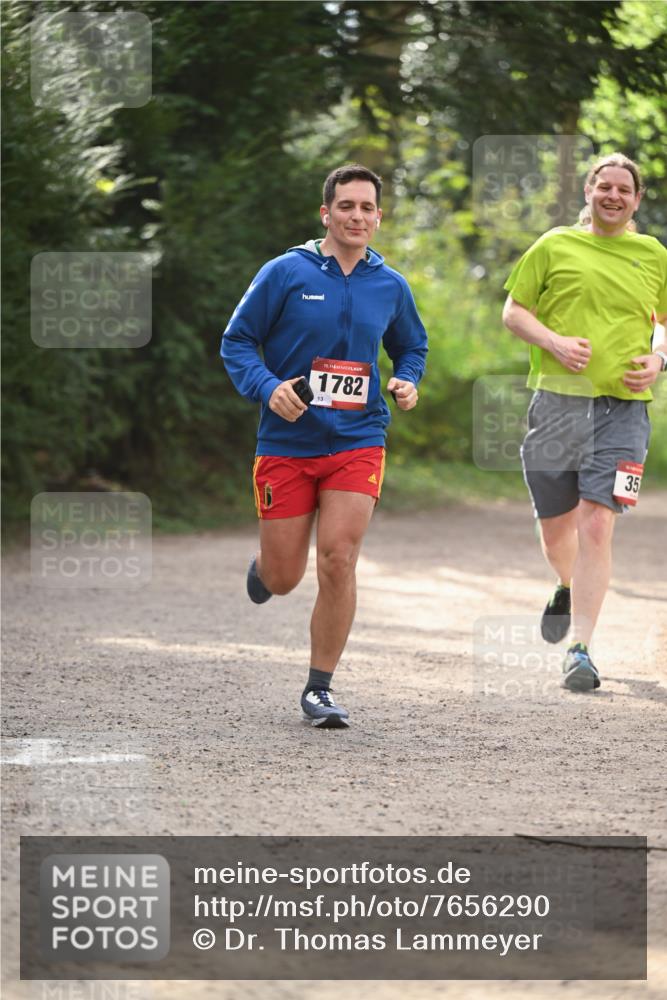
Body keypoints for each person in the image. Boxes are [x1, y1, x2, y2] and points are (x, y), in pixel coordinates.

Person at [221, 164, 427, 727]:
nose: (357, 216)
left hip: (359, 440)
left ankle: (320, 688)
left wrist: (408, 379)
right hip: (287, 442)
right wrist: (269, 388)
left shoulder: (390, 283)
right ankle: (265, 570)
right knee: (286, 577)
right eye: (346, 206)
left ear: (378, 218)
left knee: (339, 557)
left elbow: (411, 345)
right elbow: (237, 341)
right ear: (326, 213)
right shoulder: (285, 272)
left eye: (367, 208)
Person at [502, 152, 667, 692]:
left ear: (637, 200)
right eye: (605, 186)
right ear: (589, 192)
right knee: (557, 527)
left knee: (597, 522)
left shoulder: (652, 255)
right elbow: (514, 311)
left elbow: (663, 323)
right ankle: (565, 581)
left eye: (625, 188)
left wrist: (660, 358)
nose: (614, 195)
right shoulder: (555, 245)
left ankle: (581, 649)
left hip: (624, 410)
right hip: (556, 404)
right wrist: (552, 341)